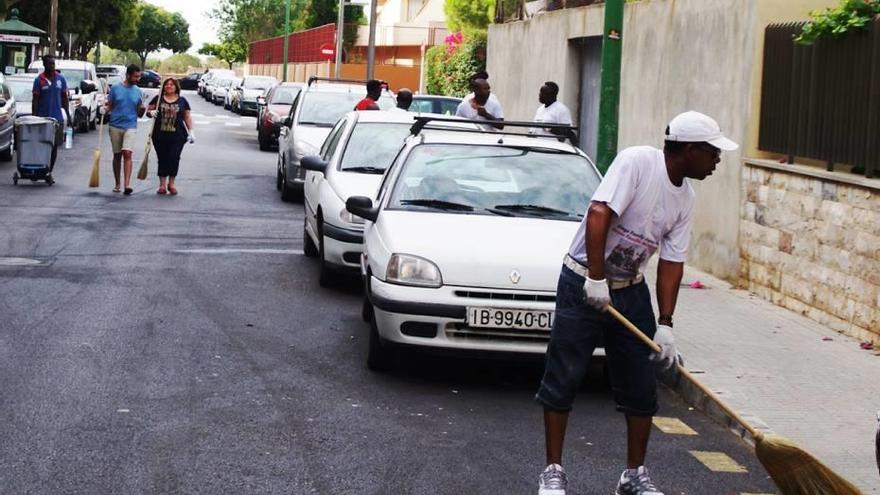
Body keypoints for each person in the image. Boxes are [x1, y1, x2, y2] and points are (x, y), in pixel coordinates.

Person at [535, 111, 738, 495]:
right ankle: (553, 470)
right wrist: (595, 279)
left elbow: (672, 264)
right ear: (690, 149)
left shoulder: (687, 198)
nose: (717, 161)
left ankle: (633, 475)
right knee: (564, 376)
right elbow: (598, 214)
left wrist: (666, 324)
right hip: (582, 279)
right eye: (713, 153)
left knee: (642, 385)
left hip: (630, 289)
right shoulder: (638, 162)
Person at [147, 78, 193, 196]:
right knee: (162, 158)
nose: (169, 86)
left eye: (172, 84)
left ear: (176, 87)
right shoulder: (158, 99)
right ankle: (162, 185)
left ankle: (171, 184)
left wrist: (191, 131)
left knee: (174, 158)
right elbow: (148, 110)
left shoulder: (182, 101)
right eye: (167, 84)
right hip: (159, 135)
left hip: (177, 136)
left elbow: (187, 116)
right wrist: (151, 113)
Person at [105, 64, 145, 195]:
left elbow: (139, 114)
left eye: (139, 76)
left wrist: (142, 109)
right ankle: (117, 183)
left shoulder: (138, 91)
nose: (137, 79)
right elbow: (109, 106)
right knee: (117, 155)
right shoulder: (116, 88)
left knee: (127, 153)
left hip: (130, 126)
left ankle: (127, 184)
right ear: (128, 75)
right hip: (115, 125)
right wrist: (104, 109)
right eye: (135, 76)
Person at [31, 55, 72, 171]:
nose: (53, 66)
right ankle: (39, 168)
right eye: (50, 64)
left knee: (53, 146)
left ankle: (49, 171)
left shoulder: (61, 79)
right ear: (44, 65)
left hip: (56, 119)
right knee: (41, 145)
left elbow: (64, 99)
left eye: (54, 64)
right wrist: (34, 117)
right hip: (42, 120)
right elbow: (35, 100)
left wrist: (68, 116)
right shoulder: (39, 80)